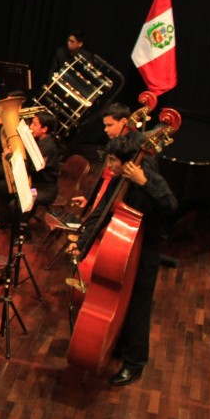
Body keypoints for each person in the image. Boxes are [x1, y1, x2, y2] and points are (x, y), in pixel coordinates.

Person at [69, 135, 177, 386]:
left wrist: (145, 183)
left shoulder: (149, 177)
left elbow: (171, 205)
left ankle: (135, 363)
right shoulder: (119, 179)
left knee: (138, 306)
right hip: (124, 245)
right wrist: (82, 244)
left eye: (114, 161)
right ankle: (117, 345)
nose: (109, 165)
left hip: (146, 249)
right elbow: (100, 214)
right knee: (118, 301)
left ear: (130, 163)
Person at [0, 112, 60, 228]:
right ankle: (3, 221)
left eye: (35, 124)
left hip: (43, 188)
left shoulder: (48, 147)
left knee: (16, 204)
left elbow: (30, 167)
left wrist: (10, 157)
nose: (31, 127)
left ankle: (21, 233)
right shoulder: (36, 141)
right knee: (2, 187)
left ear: (44, 129)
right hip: (32, 182)